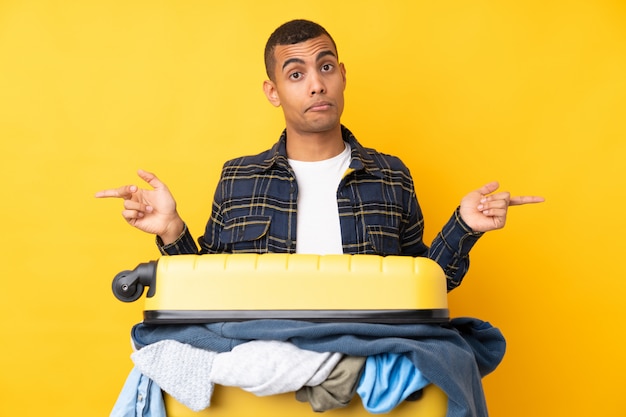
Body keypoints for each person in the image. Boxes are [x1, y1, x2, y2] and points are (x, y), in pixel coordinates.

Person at [95, 19, 544, 291]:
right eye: (296, 73)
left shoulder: (390, 175)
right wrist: (172, 230)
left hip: (369, 348)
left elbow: (425, 285)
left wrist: (464, 227)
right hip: (264, 349)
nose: (316, 84)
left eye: (325, 67)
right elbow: (208, 287)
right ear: (273, 92)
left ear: (342, 76)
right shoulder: (239, 178)